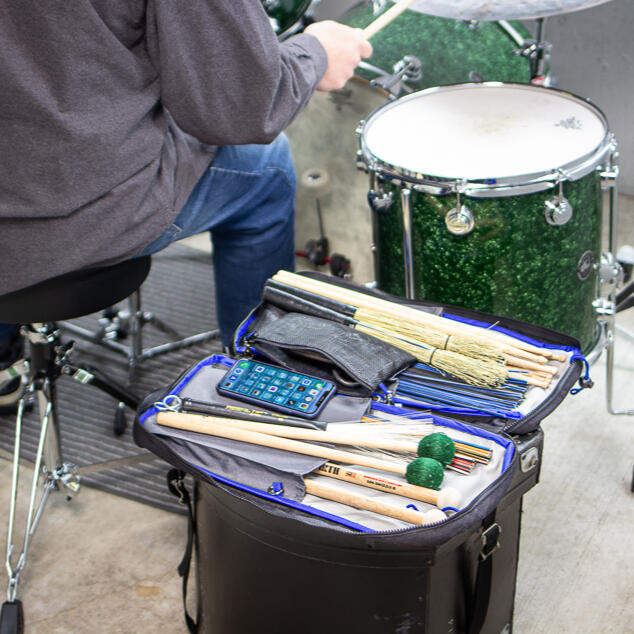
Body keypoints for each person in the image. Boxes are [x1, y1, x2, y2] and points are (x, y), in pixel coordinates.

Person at [0, 1, 373, 409]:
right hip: (62, 221)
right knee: (267, 168)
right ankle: (257, 391)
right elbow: (242, 109)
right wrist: (316, 53)